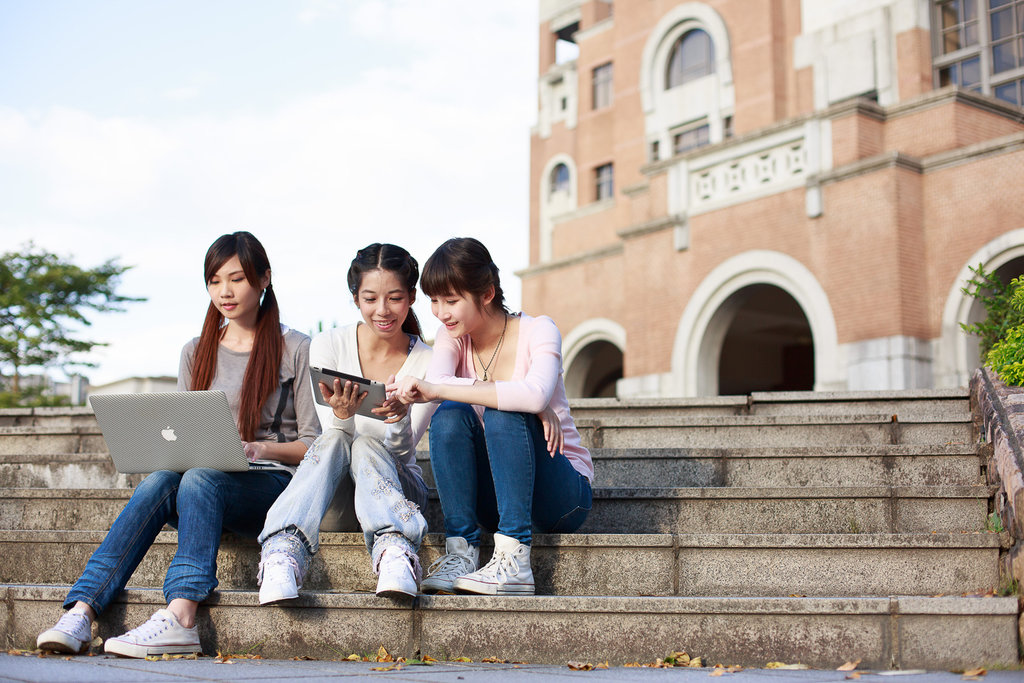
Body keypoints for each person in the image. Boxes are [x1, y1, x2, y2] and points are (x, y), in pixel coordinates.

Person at [36, 231, 320, 658]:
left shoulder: (295, 347)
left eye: (237, 279)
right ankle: (81, 610)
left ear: (264, 279)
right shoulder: (196, 350)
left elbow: (313, 445)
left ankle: (183, 615)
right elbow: (184, 431)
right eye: (214, 280)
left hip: (272, 485)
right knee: (161, 481)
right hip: (204, 485)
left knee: (200, 478)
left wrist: (259, 449)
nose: (224, 291)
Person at [389, 237, 593, 596]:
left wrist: (446, 389)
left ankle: (514, 558)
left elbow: (534, 394)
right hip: (494, 497)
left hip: (561, 493)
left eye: (451, 301)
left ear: (486, 293)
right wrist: (400, 411)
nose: (441, 312)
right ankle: (461, 552)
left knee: (504, 411)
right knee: (450, 413)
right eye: (434, 301)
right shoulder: (451, 337)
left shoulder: (539, 330)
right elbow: (429, 410)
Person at [257, 243, 434, 602]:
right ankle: (282, 552)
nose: (382, 311)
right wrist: (341, 415)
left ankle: (395, 551)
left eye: (395, 298)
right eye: (370, 299)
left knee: (368, 445)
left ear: (412, 297)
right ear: (356, 299)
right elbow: (329, 438)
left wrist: (399, 418)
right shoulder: (328, 344)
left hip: (396, 489)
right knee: (339, 440)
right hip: (336, 494)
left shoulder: (429, 361)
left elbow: (403, 450)